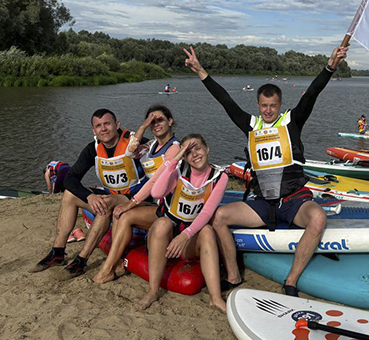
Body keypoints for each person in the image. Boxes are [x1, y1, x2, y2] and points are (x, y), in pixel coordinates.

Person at [183, 44, 348, 297]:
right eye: (263, 105)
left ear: (280, 104)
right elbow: (225, 101)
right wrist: (200, 71)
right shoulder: (252, 125)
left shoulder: (291, 121)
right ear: (258, 105)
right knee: (219, 217)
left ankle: (291, 281)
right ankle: (233, 276)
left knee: (318, 219)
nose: (268, 110)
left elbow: (312, 94)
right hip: (263, 202)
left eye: (272, 105)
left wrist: (330, 66)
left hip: (294, 200)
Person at [32, 109, 148, 277]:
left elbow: (161, 155)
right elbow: (70, 178)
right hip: (111, 195)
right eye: (98, 126)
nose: (103, 129)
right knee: (70, 194)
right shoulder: (92, 149)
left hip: (136, 198)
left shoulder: (135, 142)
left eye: (107, 124)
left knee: (104, 204)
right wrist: (89, 196)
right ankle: (58, 251)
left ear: (117, 125)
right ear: (94, 131)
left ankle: (82, 259)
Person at [136, 134, 228, 312]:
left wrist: (185, 235)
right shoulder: (178, 170)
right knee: (162, 223)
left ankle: (215, 298)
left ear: (207, 149)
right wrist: (174, 161)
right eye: (188, 152)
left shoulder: (219, 177)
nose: (195, 155)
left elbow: (207, 211)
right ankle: (153, 291)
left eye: (198, 148)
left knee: (207, 230)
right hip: (167, 234)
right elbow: (156, 193)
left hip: (189, 238)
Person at [92, 105, 180, 284]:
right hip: (158, 205)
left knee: (125, 213)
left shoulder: (175, 148)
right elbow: (130, 152)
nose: (156, 124)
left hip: (173, 209)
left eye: (160, 120)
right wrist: (143, 126)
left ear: (170, 121)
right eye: (152, 122)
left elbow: (156, 181)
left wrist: (131, 203)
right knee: (120, 212)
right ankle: (115, 263)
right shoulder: (151, 146)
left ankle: (106, 269)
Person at [44, 161, 86, 243]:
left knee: (57, 189)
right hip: (70, 169)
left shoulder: (47, 171)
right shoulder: (54, 166)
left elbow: (50, 185)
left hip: (62, 171)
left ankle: (68, 234)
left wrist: (51, 194)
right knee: (70, 188)